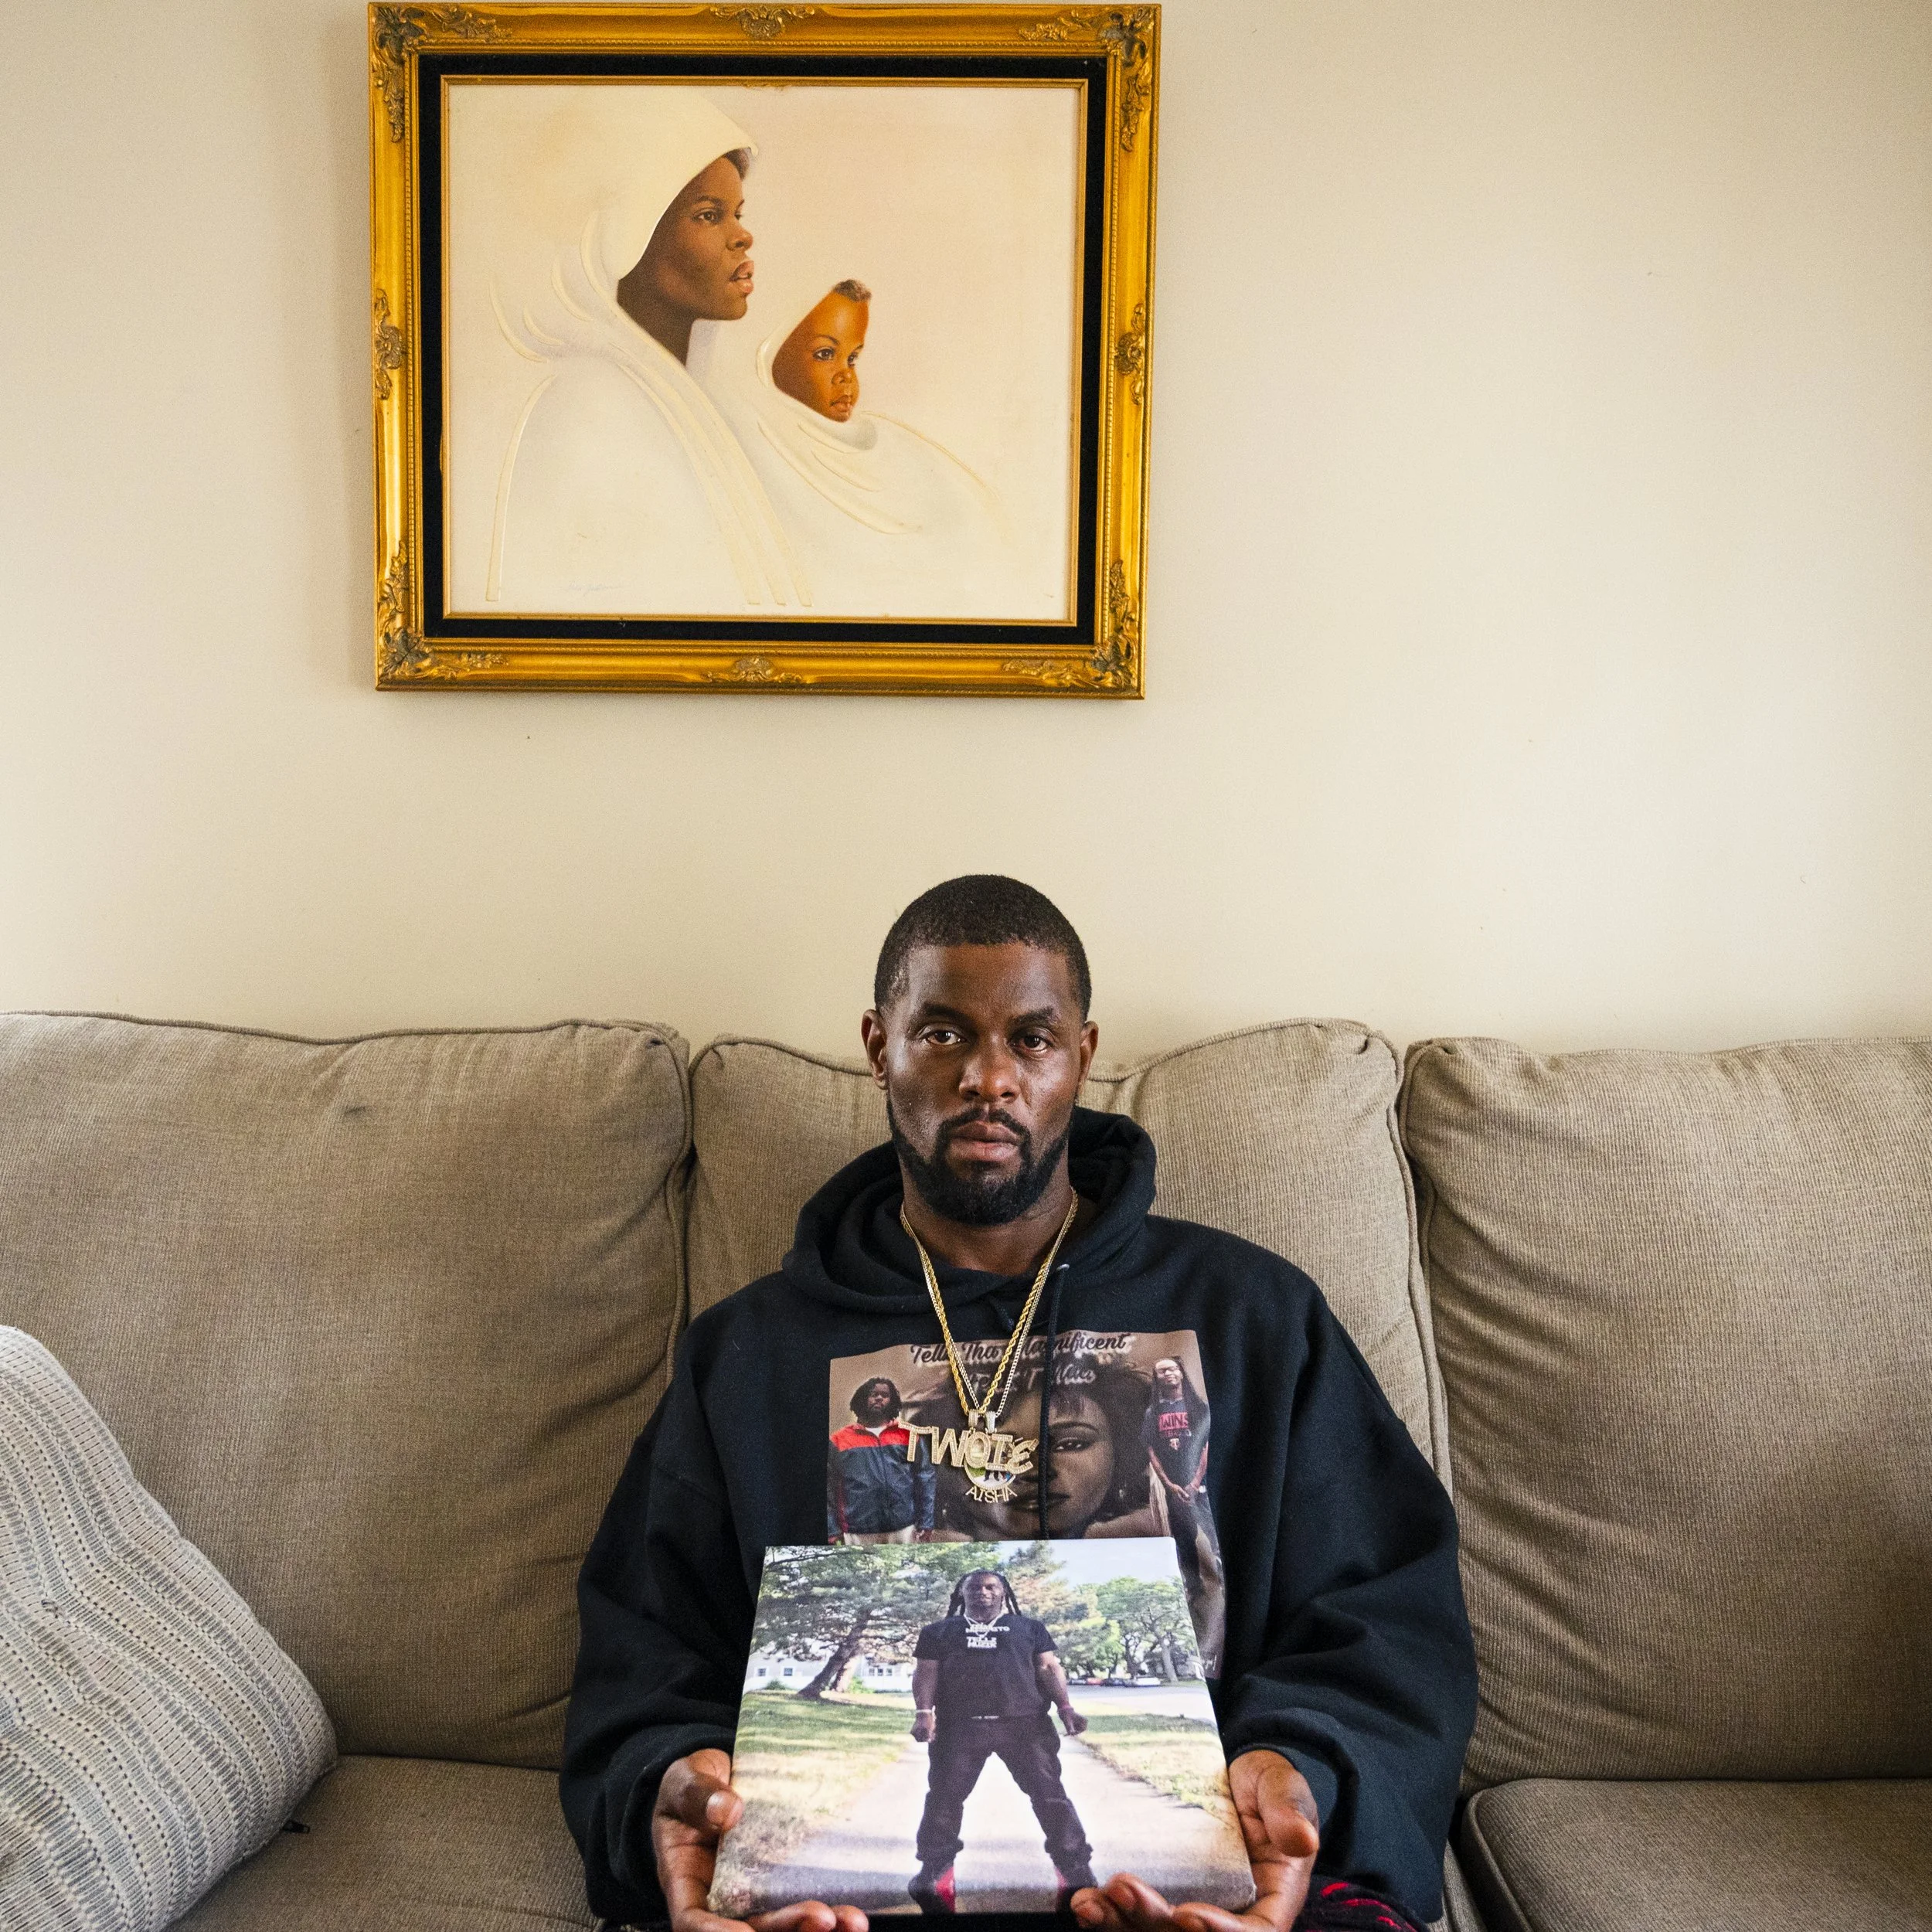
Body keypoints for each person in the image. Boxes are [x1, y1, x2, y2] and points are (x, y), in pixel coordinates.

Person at [562, 875, 1478, 1932]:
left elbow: (1388, 1616)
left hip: (1202, 1882)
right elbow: (645, 1644)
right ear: (879, 1044)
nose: (987, 1078)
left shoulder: (1252, 1314)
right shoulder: (750, 1353)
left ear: (1082, 1056)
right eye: (943, 1034)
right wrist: (670, 1787)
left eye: (1031, 1039)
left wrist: (1299, 1769)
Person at [467, 87, 808, 616]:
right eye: (708, 215)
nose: (743, 237)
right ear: (630, 232)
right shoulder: (589, 406)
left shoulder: (686, 401)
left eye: (737, 213)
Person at [692, 257, 1015, 619]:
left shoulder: (893, 446)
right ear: (767, 350)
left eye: (853, 358)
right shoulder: (744, 448)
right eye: (825, 354)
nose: (846, 376)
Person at [906, 1569, 1095, 1915]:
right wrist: (923, 1712)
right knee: (945, 1797)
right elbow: (927, 1671)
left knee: (1049, 1794)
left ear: (1004, 1593)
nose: (983, 1592)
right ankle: (935, 1871)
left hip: (1026, 1727)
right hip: (960, 1728)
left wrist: (1066, 1707)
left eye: (992, 1586)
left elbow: (1048, 1668)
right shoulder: (939, 1632)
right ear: (961, 1593)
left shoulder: (1030, 1629)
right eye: (974, 1587)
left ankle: (1074, 1871)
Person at [826, 1376, 935, 1543]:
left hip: (904, 1528)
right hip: (857, 1532)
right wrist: (831, 1529)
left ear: (892, 1402)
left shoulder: (909, 1435)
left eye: (885, 1395)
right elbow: (827, 1488)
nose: (879, 1398)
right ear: (862, 1399)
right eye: (873, 1394)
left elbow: (925, 1479)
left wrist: (926, 1522)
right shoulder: (838, 1440)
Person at [1141, 1357, 1216, 1595]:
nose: (1168, 1374)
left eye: (1173, 1368)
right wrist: (1169, 1484)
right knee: (1183, 1536)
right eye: (1162, 1371)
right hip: (1173, 1488)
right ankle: (1195, 1586)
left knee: (1211, 1534)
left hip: (1202, 1486)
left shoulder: (1198, 1407)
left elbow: (1206, 1446)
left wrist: (1195, 1482)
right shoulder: (1153, 1412)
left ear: (1182, 1373)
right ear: (1157, 1378)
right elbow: (1151, 1449)